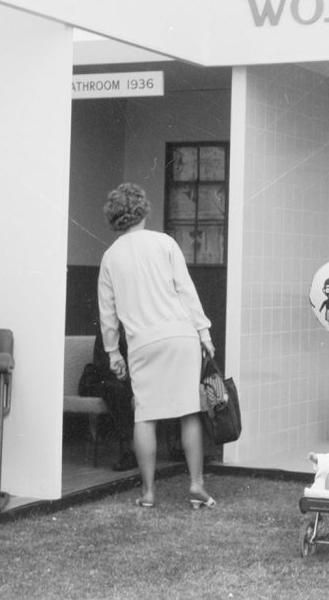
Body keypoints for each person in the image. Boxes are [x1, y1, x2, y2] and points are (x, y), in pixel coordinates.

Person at [97, 183, 216, 509]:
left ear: (114, 218)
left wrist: (113, 353)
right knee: (189, 412)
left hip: (141, 344)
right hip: (180, 335)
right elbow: (186, 291)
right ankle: (196, 485)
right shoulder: (164, 243)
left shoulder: (110, 257)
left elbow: (107, 314)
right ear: (142, 210)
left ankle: (149, 493)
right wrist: (204, 334)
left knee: (145, 416)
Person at [86, 325, 136, 472]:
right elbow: (101, 364)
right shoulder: (107, 327)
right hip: (105, 378)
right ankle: (130, 450)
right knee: (118, 391)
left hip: (132, 378)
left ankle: (176, 445)